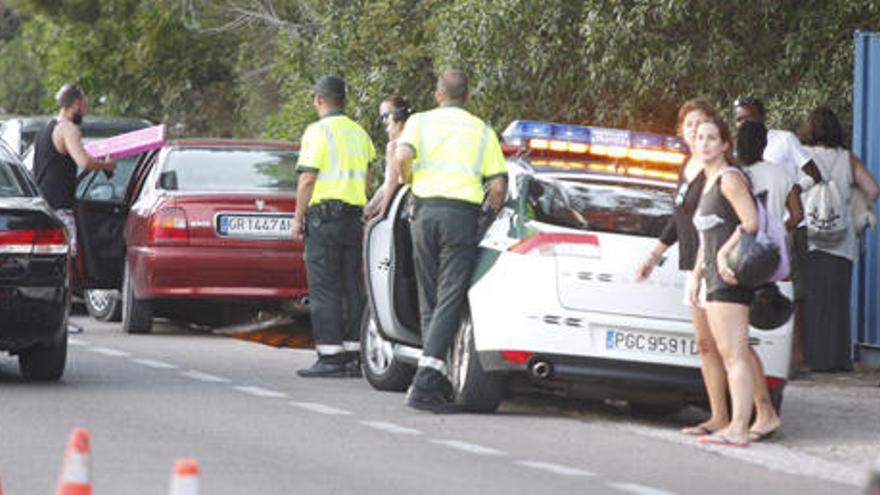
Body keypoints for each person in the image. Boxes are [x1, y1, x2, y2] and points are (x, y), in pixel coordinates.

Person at [392, 69, 507, 413]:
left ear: (437, 95)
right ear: (468, 97)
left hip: (423, 213)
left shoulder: (420, 123)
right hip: (461, 216)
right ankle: (426, 383)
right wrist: (489, 216)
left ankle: (434, 377)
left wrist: (409, 181)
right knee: (449, 298)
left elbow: (401, 157)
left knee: (430, 298)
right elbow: (499, 187)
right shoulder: (483, 131)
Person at [637, 98, 731, 435]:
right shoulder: (686, 167)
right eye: (689, 126)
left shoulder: (715, 168)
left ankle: (758, 412)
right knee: (706, 344)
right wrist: (653, 255)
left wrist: (702, 267)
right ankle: (718, 416)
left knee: (729, 345)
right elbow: (679, 220)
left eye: (702, 126)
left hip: (712, 264)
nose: (695, 133)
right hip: (693, 263)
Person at [689, 115, 769, 448]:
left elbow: (750, 222)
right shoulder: (706, 181)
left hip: (731, 276)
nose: (704, 143)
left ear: (725, 144)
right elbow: (705, 236)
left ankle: (738, 426)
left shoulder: (729, 179)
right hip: (712, 278)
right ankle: (732, 422)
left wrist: (722, 255)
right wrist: (696, 276)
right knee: (725, 351)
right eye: (699, 137)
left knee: (735, 353)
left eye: (711, 138)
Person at [293, 75, 376, 378]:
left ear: (318, 99)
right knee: (351, 286)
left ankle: (330, 357)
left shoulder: (318, 132)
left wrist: (298, 216)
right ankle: (354, 356)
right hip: (353, 218)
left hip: (324, 217)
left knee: (324, 287)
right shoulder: (359, 133)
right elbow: (367, 179)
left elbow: (308, 179)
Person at [733, 97, 822, 374]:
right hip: (771, 242)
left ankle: (793, 359)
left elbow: (813, 174)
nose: (742, 123)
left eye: (746, 117)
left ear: (761, 116)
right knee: (776, 296)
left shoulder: (782, 141)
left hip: (748, 243)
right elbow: (795, 213)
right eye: (738, 119)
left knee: (785, 297)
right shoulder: (757, 170)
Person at [797, 107, 880, 372]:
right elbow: (873, 189)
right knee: (836, 302)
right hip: (841, 242)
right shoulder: (848, 159)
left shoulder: (801, 156)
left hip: (807, 239)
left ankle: (810, 357)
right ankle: (836, 360)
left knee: (809, 301)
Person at [33, 83, 118, 259]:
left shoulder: (45, 129)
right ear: (77, 104)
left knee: (44, 263)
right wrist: (106, 165)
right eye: (84, 106)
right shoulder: (69, 129)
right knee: (68, 260)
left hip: (42, 208)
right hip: (60, 209)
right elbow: (84, 162)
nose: (84, 112)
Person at [736, 121, 803, 230]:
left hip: (740, 243)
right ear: (765, 143)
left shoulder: (732, 175)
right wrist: (780, 231)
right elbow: (797, 214)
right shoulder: (781, 174)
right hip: (774, 243)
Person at [363, 95, 412, 220]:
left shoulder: (394, 146)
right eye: (382, 118)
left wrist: (381, 213)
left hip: (401, 209)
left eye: (386, 116)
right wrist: (371, 206)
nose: (385, 123)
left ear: (398, 118)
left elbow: (391, 183)